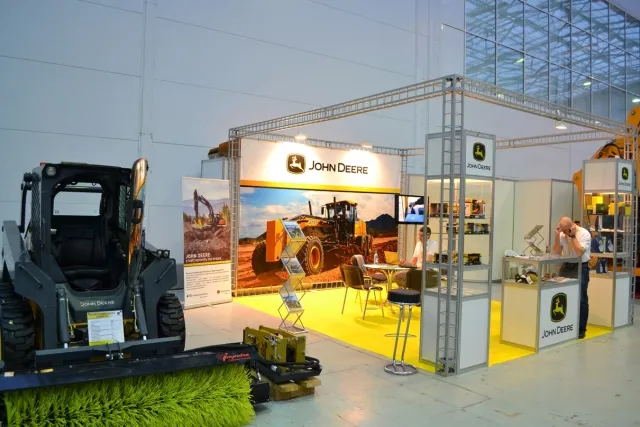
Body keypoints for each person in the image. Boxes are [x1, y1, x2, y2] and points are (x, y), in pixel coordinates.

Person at [552, 216, 591, 339]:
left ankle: (581, 328)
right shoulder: (562, 234)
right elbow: (557, 251)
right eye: (561, 229)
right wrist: (557, 236)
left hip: (580, 266)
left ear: (571, 226)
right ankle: (564, 325)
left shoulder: (584, 234)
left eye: (565, 230)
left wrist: (573, 236)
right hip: (566, 265)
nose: (563, 232)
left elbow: (579, 253)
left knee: (581, 298)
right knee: (562, 295)